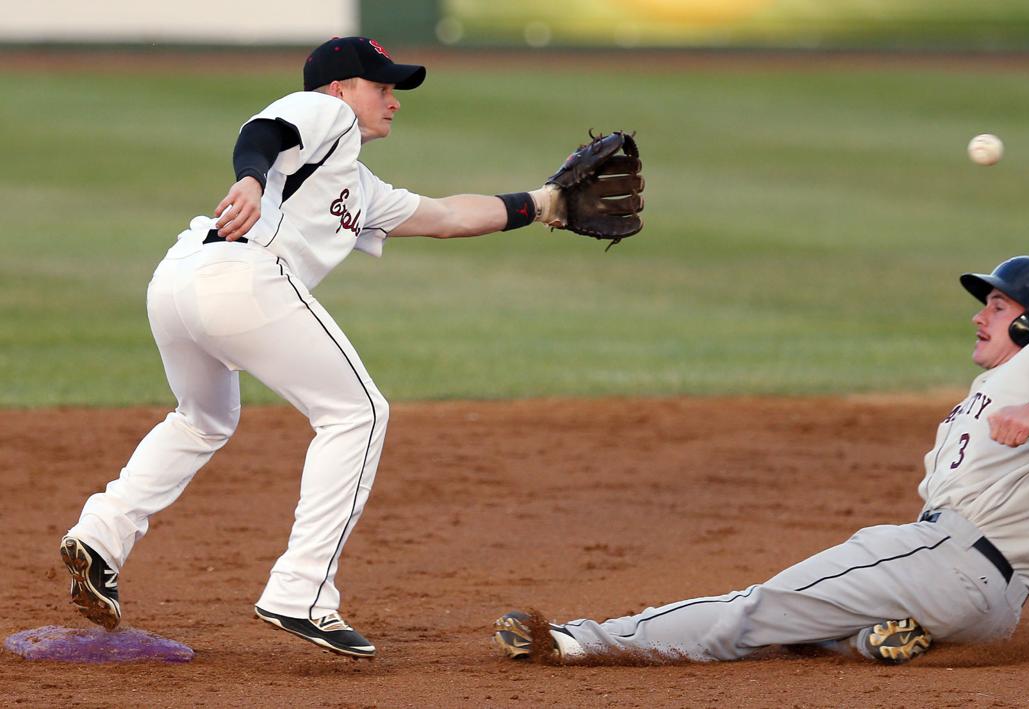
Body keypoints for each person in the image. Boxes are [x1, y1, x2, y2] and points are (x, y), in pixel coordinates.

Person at [58, 36, 634, 659]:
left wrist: (543, 205)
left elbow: (446, 215)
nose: (393, 101)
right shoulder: (324, 114)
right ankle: (301, 592)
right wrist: (250, 180)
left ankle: (99, 538)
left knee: (203, 420)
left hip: (178, 283)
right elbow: (263, 131)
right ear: (339, 89)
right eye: (381, 87)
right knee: (358, 413)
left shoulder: (354, 183)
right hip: (241, 278)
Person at [493, 255, 1029, 665]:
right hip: (992, 609)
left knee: (760, 608)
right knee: (809, 624)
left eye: (998, 304)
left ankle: (583, 639)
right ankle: (880, 636)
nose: (981, 316)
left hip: (948, 564)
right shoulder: (1011, 381)